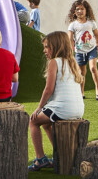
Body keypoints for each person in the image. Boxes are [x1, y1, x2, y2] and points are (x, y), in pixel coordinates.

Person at [28, 30, 84, 170]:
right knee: (46, 124)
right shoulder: (73, 63)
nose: (44, 50)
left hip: (63, 108)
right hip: (78, 109)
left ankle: (40, 158)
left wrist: (39, 108)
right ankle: (60, 155)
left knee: (33, 121)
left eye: (47, 47)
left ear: (56, 46)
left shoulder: (54, 62)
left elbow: (48, 89)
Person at [68, 0, 98, 101]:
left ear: (86, 10)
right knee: (81, 73)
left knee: (93, 68)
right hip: (79, 51)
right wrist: (71, 50)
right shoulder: (73, 25)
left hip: (91, 49)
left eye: (82, 9)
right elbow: (70, 38)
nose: (80, 11)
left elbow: (96, 35)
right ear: (74, 12)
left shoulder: (91, 23)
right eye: (77, 9)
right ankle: (81, 92)